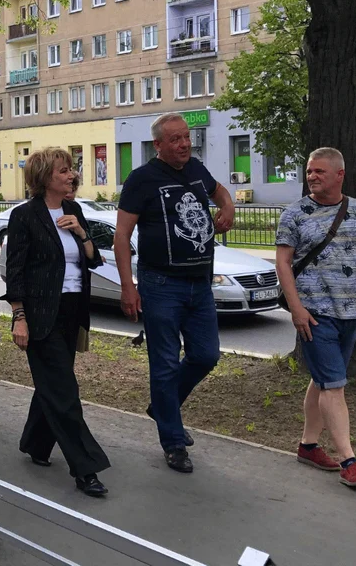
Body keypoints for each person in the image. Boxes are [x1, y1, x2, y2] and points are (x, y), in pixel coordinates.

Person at [116, 112, 235, 473]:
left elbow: (219, 190)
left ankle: (162, 406)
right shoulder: (142, 179)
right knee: (165, 364)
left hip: (200, 283)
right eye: (175, 139)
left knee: (206, 355)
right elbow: (122, 237)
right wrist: (128, 287)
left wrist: (227, 205)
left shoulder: (196, 169)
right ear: (158, 145)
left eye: (186, 137)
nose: (184, 144)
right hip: (161, 285)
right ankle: (173, 441)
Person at [275, 147, 356, 488]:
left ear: (339, 174)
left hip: (350, 312)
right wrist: (296, 308)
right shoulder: (295, 214)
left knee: (324, 380)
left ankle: (308, 445)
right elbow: (283, 262)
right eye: (309, 171)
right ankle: (349, 461)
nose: (312, 177)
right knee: (334, 385)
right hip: (314, 314)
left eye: (319, 172)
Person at [4, 147, 110, 497]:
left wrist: (82, 233)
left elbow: (93, 260)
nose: (71, 175)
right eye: (63, 170)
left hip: (72, 311)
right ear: (44, 177)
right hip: (40, 315)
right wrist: (19, 317)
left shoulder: (73, 210)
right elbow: (15, 272)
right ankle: (86, 467)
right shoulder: (24, 216)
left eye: (71, 169)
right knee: (64, 391)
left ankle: (36, 444)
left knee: (53, 384)